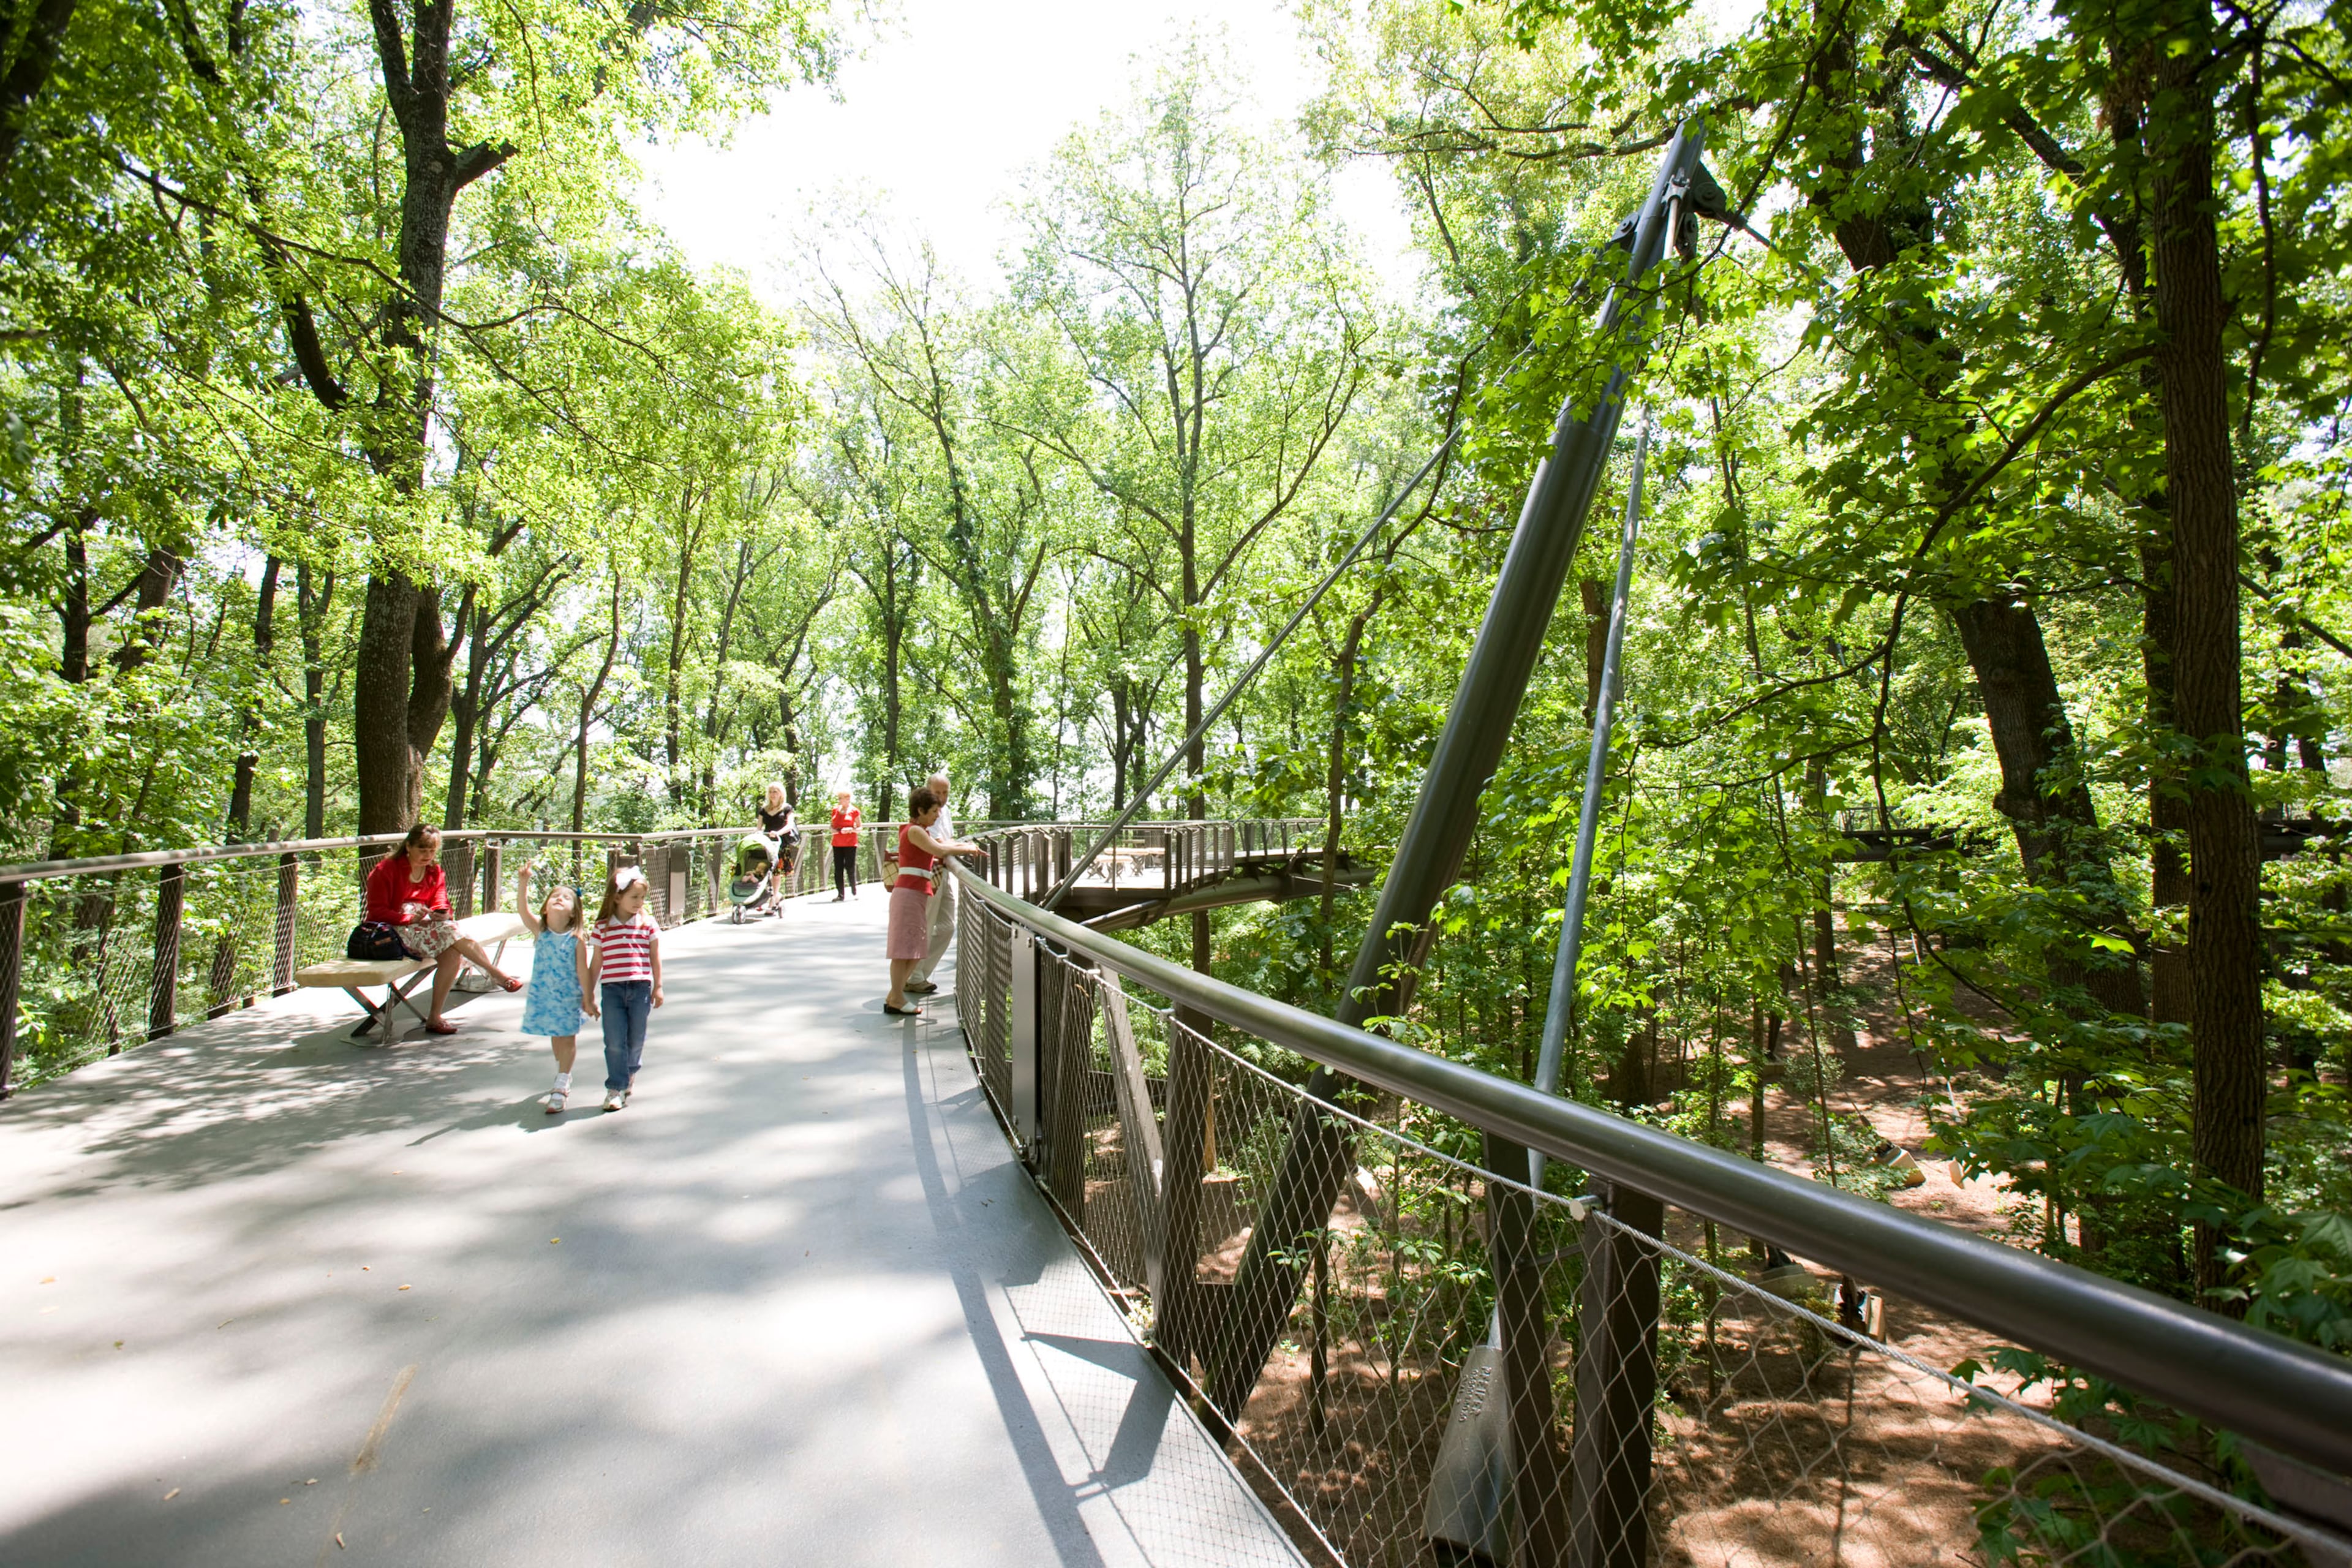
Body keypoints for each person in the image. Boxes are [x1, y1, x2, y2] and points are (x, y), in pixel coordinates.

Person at [363, 824, 522, 1035]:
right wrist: (409, 918)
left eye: (432, 851)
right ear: (408, 846)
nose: (427, 856)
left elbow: (441, 902)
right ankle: (496, 975)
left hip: (430, 928)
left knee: (452, 952)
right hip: (395, 931)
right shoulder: (386, 870)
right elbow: (376, 912)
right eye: (422, 850)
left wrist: (442, 913)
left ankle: (434, 1018)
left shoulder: (434, 871)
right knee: (451, 935)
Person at [884, 786, 983, 1017]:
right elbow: (937, 849)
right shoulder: (914, 831)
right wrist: (967, 848)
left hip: (917, 894)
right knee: (904, 951)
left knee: (914, 949)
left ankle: (894, 996)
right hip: (908, 894)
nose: (938, 815)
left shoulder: (922, 831)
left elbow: (940, 845)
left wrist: (963, 847)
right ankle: (896, 998)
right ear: (920, 811)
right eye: (934, 811)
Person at [585, 864, 663, 1111]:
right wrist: (588, 994)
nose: (639, 902)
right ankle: (615, 1087)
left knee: (636, 1038)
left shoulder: (647, 924)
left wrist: (658, 986)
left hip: (640, 988)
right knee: (615, 1040)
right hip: (612, 989)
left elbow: (655, 956)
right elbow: (596, 961)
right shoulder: (603, 927)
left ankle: (630, 1071)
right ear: (618, 897)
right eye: (634, 897)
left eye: (642, 898)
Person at [515, 867, 592, 1113]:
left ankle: (561, 1084)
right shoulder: (541, 932)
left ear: (573, 915)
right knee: (556, 1039)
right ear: (546, 909)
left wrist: (588, 997)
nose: (560, 898)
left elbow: (583, 971)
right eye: (555, 896)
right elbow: (522, 911)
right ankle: (563, 1071)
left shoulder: (576, 939)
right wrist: (523, 882)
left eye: (566, 897)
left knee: (567, 1037)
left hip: (569, 998)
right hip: (545, 997)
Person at [904, 771, 958, 997]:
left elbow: (949, 840)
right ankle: (914, 976)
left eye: (945, 792)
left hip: (944, 872)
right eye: (938, 792)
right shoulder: (927, 815)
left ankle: (919, 974)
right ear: (929, 792)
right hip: (930, 873)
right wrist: (963, 849)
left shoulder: (944, 813)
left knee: (947, 927)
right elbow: (938, 845)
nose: (942, 797)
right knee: (926, 924)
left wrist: (951, 847)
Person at [755, 783, 797, 907]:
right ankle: (769, 896)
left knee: (776, 873)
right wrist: (758, 835)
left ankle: (773, 900)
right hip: (767, 844)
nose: (773, 794)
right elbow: (759, 827)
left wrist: (778, 833)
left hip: (780, 843)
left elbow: (789, 825)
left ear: (781, 794)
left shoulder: (787, 808)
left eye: (776, 792)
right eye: (771, 792)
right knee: (763, 870)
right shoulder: (764, 810)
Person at [829, 789, 862, 902]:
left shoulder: (854, 811)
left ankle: (854, 889)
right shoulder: (835, 810)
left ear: (848, 799)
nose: (839, 801)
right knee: (838, 869)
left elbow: (860, 828)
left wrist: (851, 829)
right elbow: (831, 826)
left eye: (841, 798)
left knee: (850, 867)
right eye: (839, 798)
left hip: (850, 843)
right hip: (837, 842)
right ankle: (840, 894)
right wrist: (833, 830)